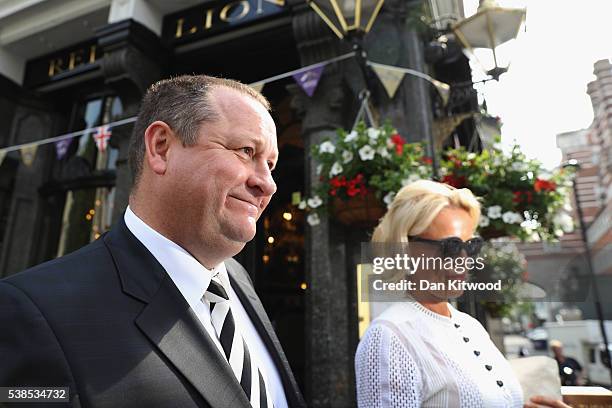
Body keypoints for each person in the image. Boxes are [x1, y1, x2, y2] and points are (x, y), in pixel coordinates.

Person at [0, 75, 305, 408]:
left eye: (271, 164)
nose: (268, 184)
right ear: (161, 147)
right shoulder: (34, 313)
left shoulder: (239, 280)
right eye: (246, 151)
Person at [355, 180, 571, 408]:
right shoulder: (389, 337)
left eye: (471, 246)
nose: (463, 260)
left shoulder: (470, 326)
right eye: (450, 246)